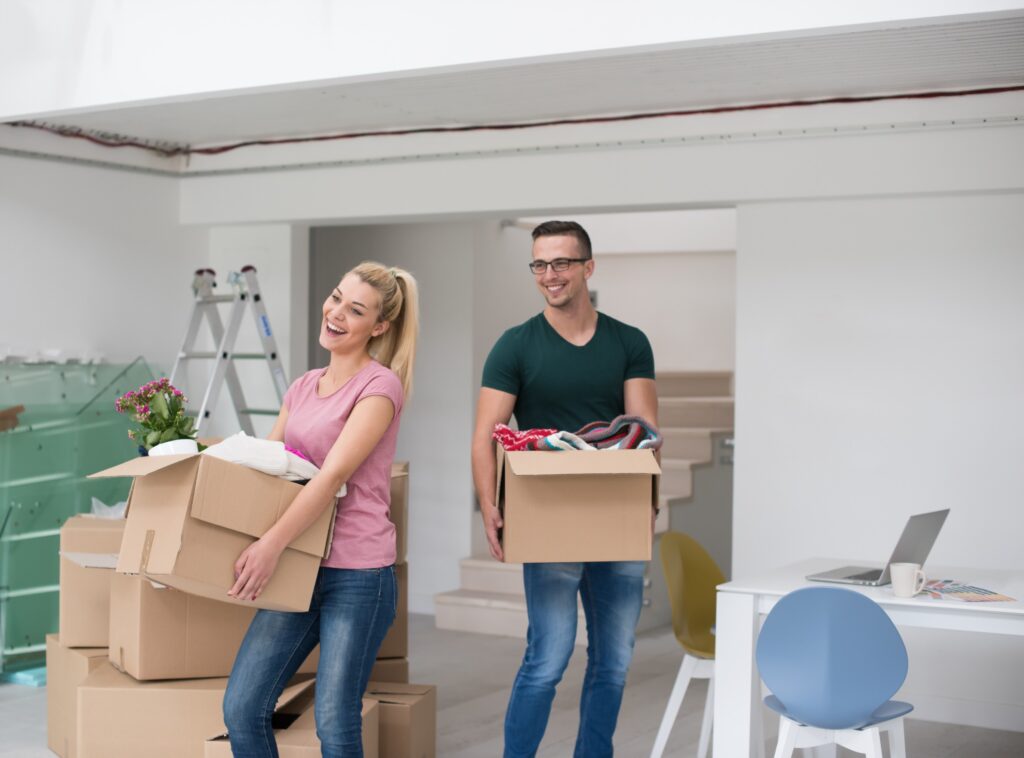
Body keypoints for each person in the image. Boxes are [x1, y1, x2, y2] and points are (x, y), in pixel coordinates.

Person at [471, 220, 659, 757]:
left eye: (562, 263)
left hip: (614, 515)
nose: (550, 275)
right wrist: (489, 503)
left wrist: (648, 502)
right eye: (540, 265)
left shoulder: (628, 341)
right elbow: (484, 435)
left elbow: (644, 431)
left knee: (614, 660)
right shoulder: (515, 346)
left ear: (587, 267)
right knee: (548, 658)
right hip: (548, 516)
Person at [222, 261, 418, 758]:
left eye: (355, 310)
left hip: (358, 572)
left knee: (335, 720)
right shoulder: (303, 386)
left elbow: (331, 476)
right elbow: (269, 467)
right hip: (300, 563)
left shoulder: (379, 388)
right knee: (243, 707)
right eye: (336, 299)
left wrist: (269, 544)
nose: (335, 313)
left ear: (378, 327)